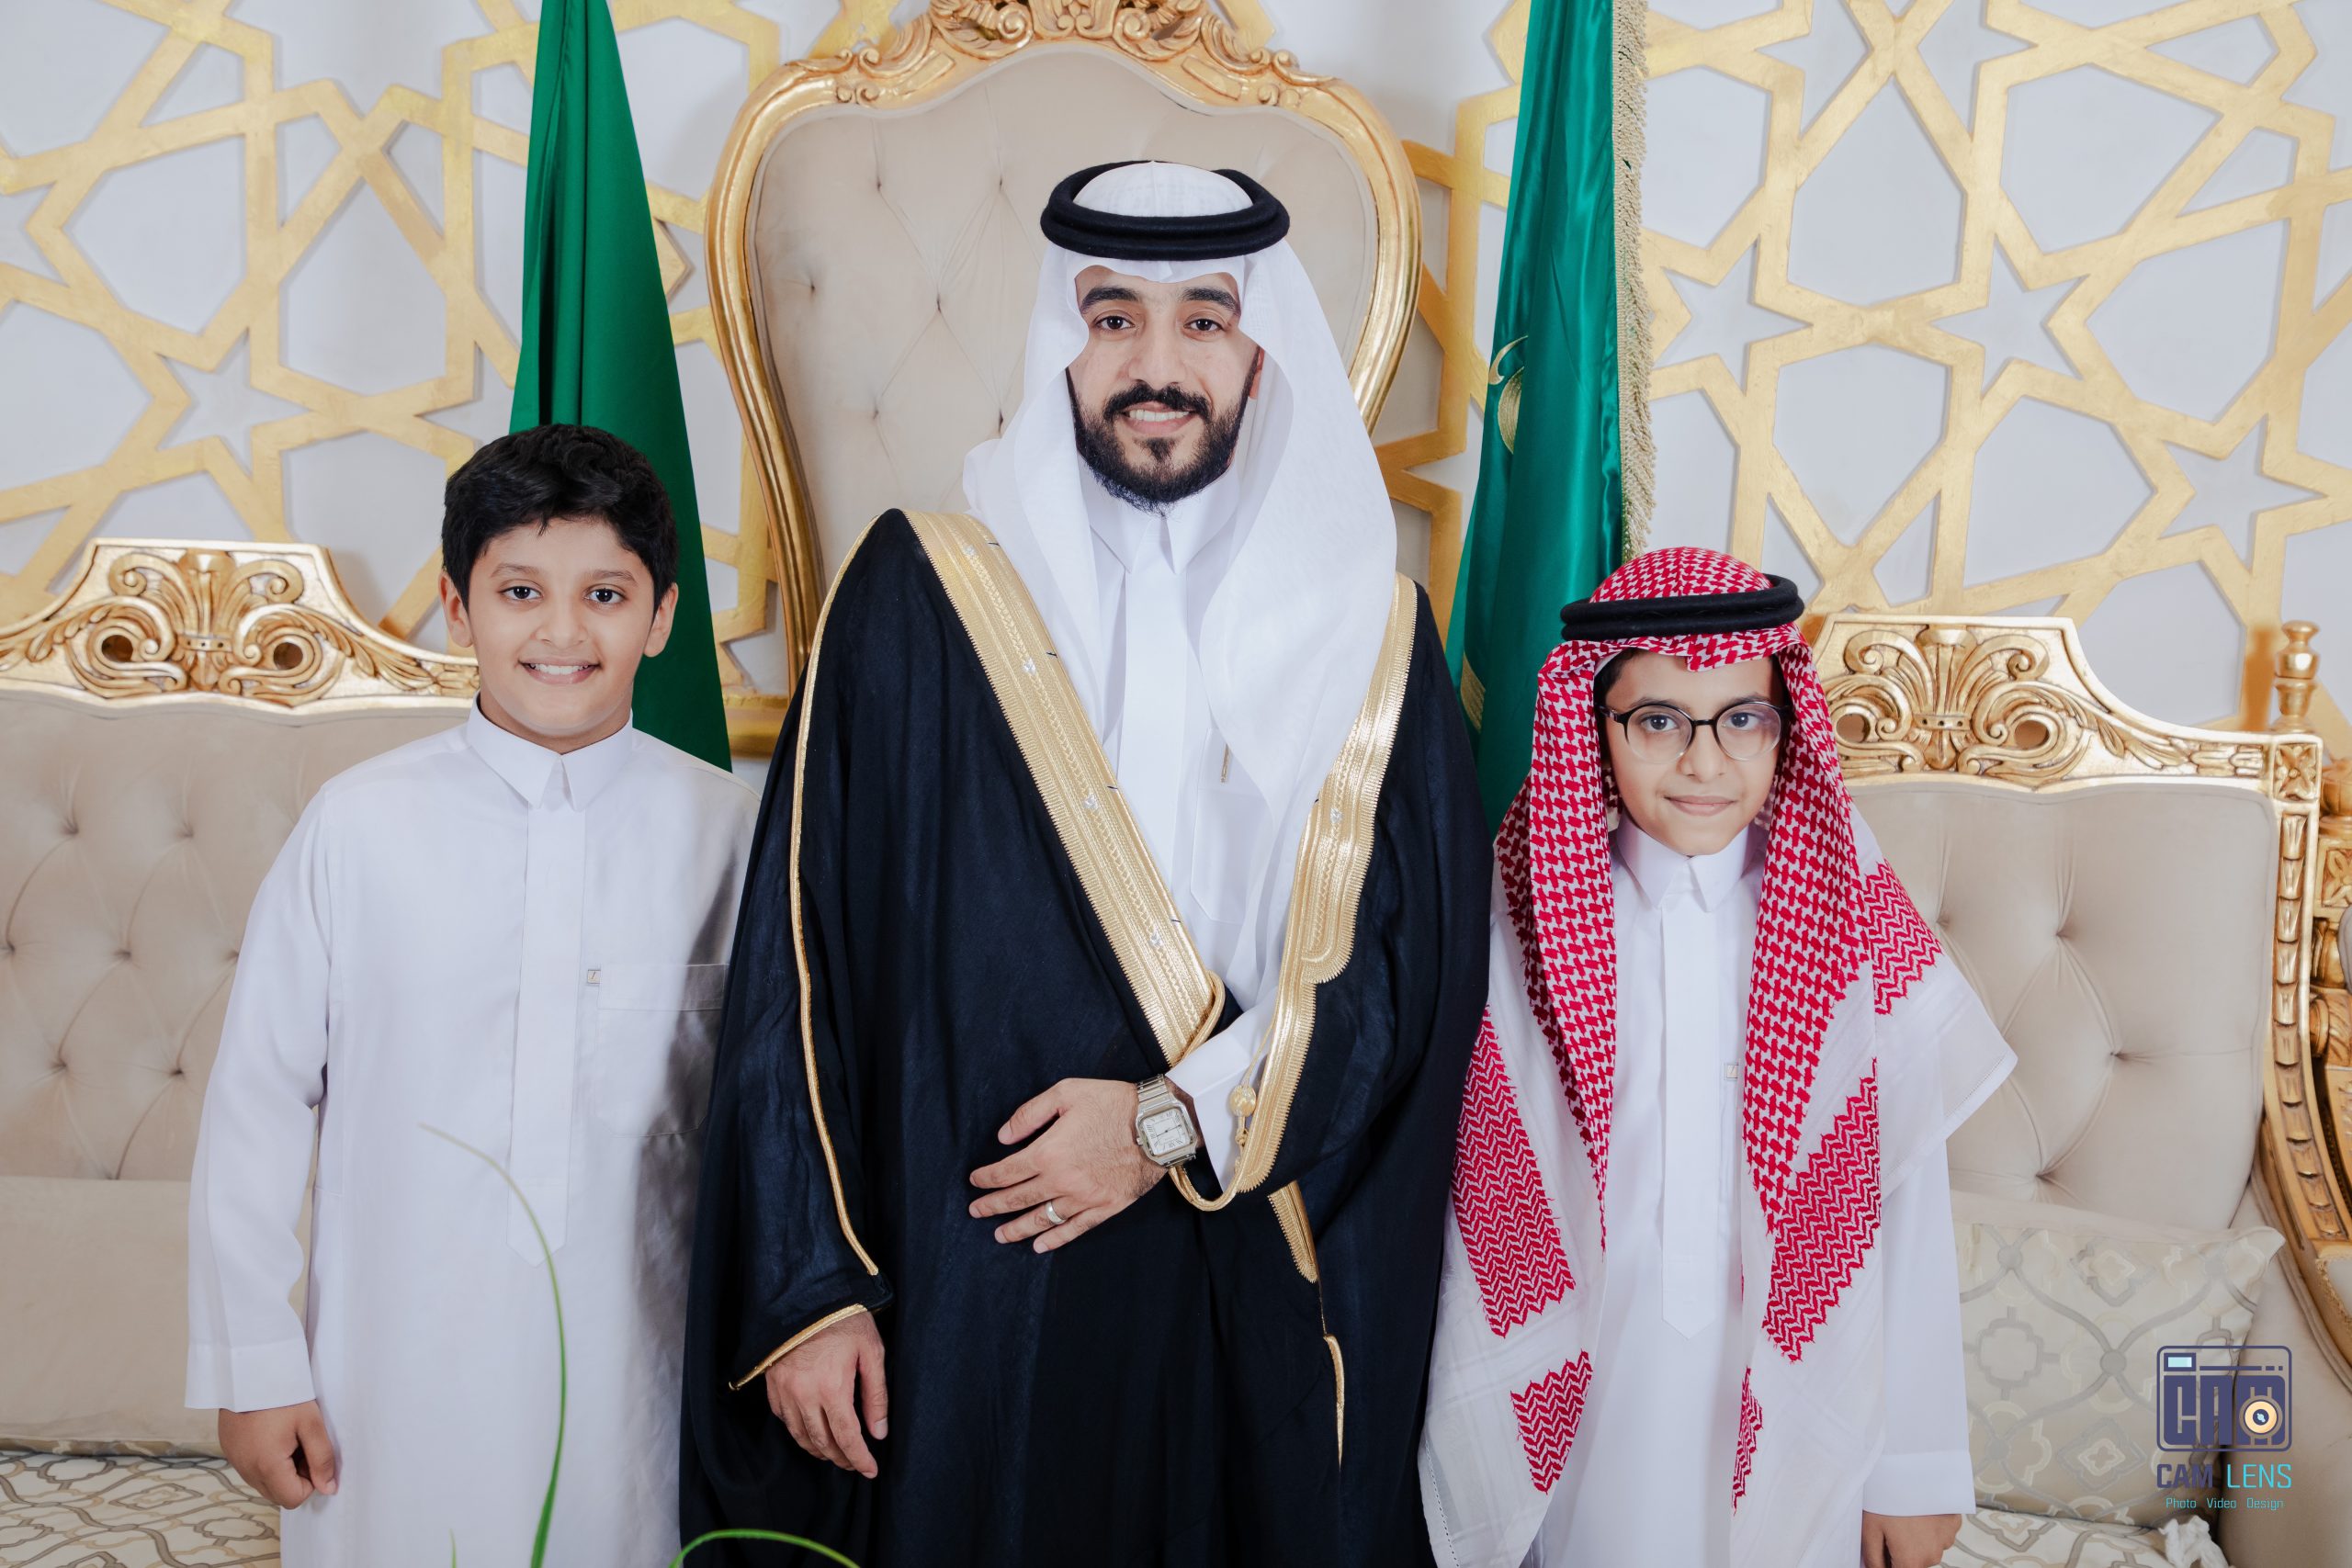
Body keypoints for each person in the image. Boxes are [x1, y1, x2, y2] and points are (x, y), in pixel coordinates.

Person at [678, 161, 1489, 1566]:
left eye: (1203, 321)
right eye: (1115, 318)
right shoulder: (918, 593)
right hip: (973, 1283)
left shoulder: (1372, 634)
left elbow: (1406, 981)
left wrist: (1171, 1122)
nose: (1156, 365)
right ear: (1065, 335)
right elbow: (799, 961)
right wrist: (812, 1285)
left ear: (1260, 349)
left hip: (1252, 1264)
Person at [184, 424, 759, 1565]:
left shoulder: (736, 837)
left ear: (662, 616)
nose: (562, 632)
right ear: (458, 607)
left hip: (643, 1388)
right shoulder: (358, 827)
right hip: (386, 1386)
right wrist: (253, 1367)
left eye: (605, 594)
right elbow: (255, 1107)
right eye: (519, 591)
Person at [1418, 547, 2016, 1568]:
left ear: (1786, 727)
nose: (1704, 763)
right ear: (1595, 728)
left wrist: (1914, 1468)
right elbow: (1469, 1199)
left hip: (1791, 1392)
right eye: (1658, 722)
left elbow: (1902, 1205)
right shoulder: (1525, 927)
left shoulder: (1843, 925)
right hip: (1587, 1401)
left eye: (1743, 720)